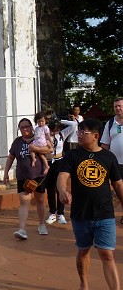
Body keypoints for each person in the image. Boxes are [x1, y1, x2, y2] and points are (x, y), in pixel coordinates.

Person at [57, 118, 123, 290]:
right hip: (81, 213)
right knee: (84, 251)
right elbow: (62, 176)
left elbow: (118, 184)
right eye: (78, 131)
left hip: (105, 213)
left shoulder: (108, 157)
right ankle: (84, 283)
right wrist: (63, 191)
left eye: (82, 132)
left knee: (107, 254)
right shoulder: (72, 155)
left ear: (95, 135)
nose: (78, 135)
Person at [3, 117, 51, 240]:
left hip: (39, 175)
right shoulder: (17, 142)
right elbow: (10, 158)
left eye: (27, 126)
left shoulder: (38, 138)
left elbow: (50, 149)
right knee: (24, 201)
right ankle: (22, 229)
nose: (25, 129)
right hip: (22, 175)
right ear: (19, 129)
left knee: (40, 200)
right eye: (22, 127)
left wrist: (36, 149)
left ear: (31, 127)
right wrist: (6, 173)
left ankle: (42, 224)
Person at [45, 117, 77, 225]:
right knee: (50, 188)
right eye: (53, 129)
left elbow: (73, 125)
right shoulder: (45, 134)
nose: (54, 131)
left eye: (56, 129)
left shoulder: (62, 134)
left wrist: (60, 120)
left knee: (60, 188)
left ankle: (61, 213)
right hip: (49, 162)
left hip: (59, 161)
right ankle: (52, 213)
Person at [101, 96, 123, 225]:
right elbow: (105, 146)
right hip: (115, 165)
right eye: (115, 106)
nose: (117, 108)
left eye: (120, 106)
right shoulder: (110, 124)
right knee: (118, 191)